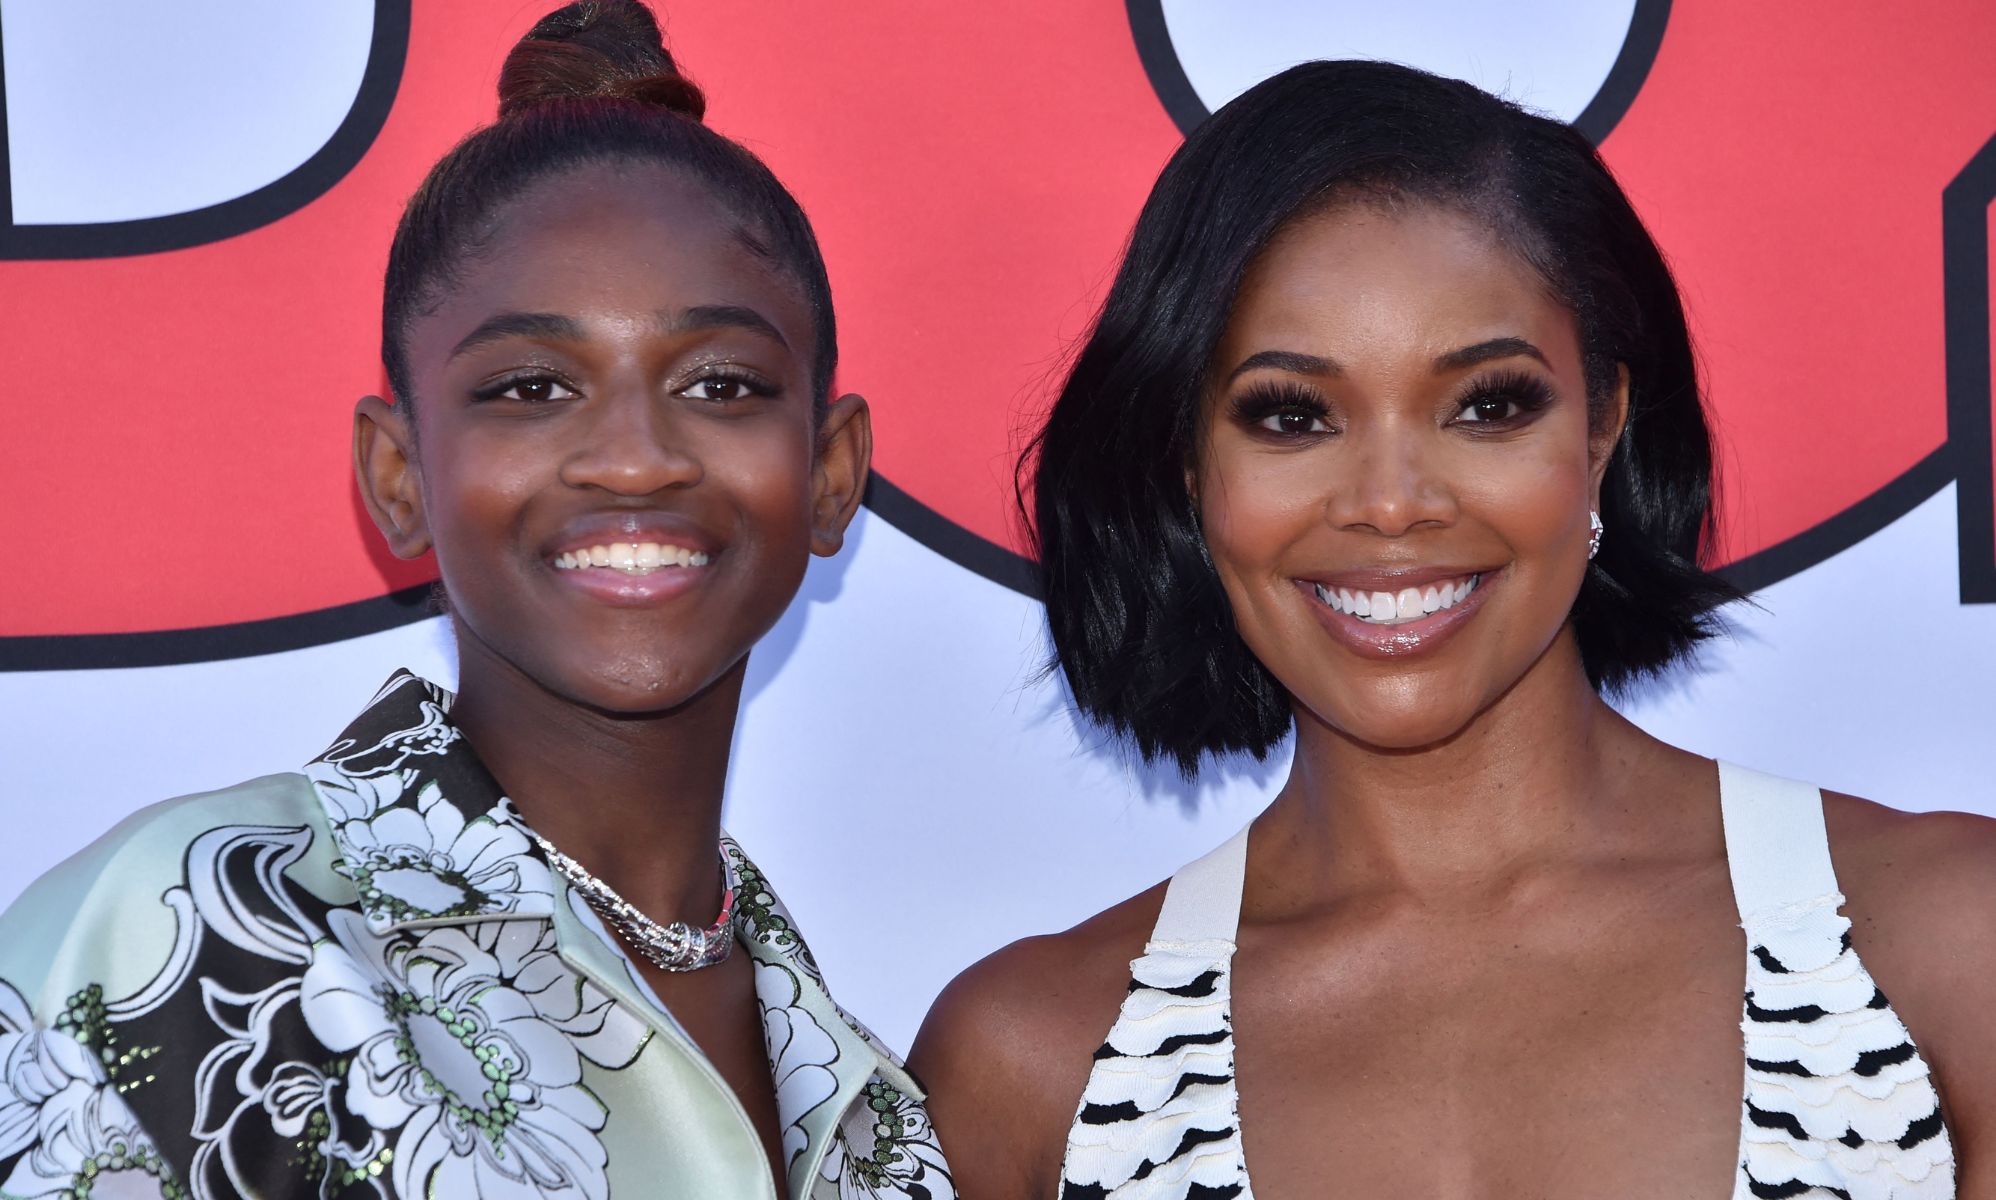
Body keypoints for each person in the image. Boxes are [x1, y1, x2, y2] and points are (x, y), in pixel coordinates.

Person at [911, 60, 1996, 1199]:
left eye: (1486, 404)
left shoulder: (1948, 944)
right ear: (1189, 468)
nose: (1390, 501)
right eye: (1291, 415)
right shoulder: (1028, 1065)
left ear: (1603, 429)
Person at [0, 4, 953, 1198]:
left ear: (828, 473)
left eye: (720, 382)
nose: (634, 457)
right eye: (530, 386)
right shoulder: (186, 935)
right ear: (400, 478)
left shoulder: (872, 1108)